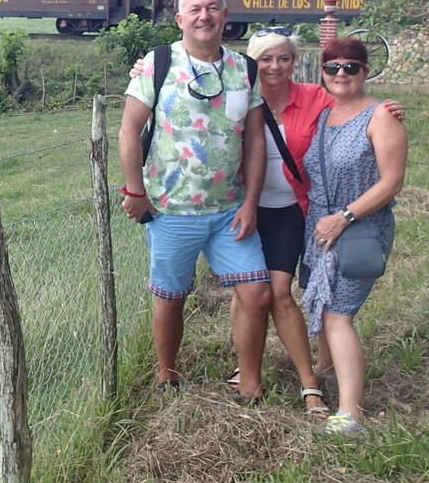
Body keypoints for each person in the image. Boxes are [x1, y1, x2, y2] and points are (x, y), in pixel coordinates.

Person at [131, 29, 404, 418]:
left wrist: (386, 109)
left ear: (295, 62)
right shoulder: (234, 88)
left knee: (277, 292)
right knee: (246, 290)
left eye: (283, 58)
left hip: (292, 209)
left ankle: (311, 381)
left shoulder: (317, 98)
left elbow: (354, 105)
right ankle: (248, 369)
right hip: (242, 205)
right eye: (266, 59)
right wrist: (142, 70)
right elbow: (177, 99)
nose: (275, 66)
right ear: (252, 64)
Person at [118, 0, 272, 400]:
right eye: (196, 9)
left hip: (230, 210)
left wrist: (251, 202)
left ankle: (250, 382)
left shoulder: (245, 69)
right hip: (171, 210)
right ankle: (166, 375)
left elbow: (255, 140)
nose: (205, 16)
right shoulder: (158, 63)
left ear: (225, 15)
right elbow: (129, 130)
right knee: (171, 297)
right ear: (180, 19)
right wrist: (136, 192)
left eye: (213, 7)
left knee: (257, 293)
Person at [300, 37, 407, 435]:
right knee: (323, 303)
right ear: (323, 72)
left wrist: (344, 217)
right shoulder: (324, 114)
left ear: (365, 71)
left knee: (337, 315)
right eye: (333, 67)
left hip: (358, 227)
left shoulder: (381, 116)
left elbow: (392, 182)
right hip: (320, 227)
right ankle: (328, 374)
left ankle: (350, 414)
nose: (341, 74)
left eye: (351, 66)